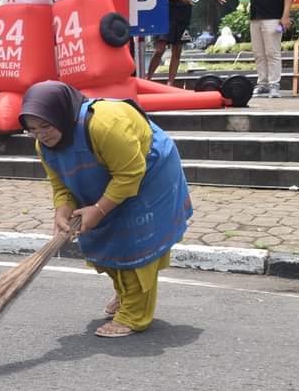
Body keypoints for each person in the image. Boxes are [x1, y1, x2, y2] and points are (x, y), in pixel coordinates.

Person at [19, 81, 191, 337]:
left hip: (148, 174)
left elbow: (130, 173)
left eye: (46, 125)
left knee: (134, 241)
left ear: (62, 114)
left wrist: (98, 209)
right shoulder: (43, 145)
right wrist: (62, 208)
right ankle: (125, 294)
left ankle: (135, 314)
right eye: (32, 129)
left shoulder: (104, 125)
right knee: (105, 238)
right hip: (110, 176)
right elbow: (60, 182)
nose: (41, 134)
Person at [147, 0, 227, 86]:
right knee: (160, 49)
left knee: (177, 50)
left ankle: (170, 83)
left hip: (183, 16)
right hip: (166, 15)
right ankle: (147, 79)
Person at [236, 0, 297, 98]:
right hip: (256, 17)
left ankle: (274, 84)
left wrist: (285, 16)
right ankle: (262, 83)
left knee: (272, 52)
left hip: (273, 17)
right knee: (259, 53)